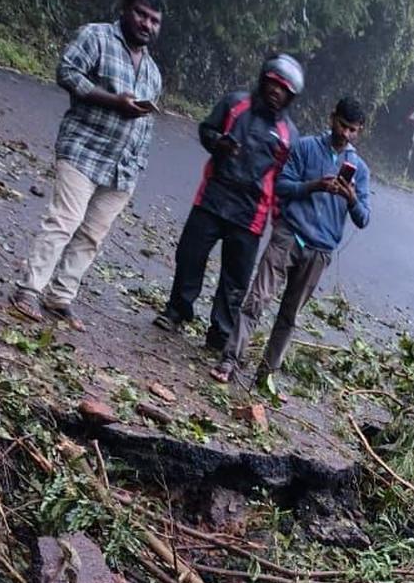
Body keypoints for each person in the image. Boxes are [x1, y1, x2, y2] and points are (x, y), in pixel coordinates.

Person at [11, 0, 164, 328]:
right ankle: (28, 290)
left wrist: (137, 166)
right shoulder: (97, 37)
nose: (146, 24)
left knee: (92, 235)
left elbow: (146, 124)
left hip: (122, 168)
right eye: (141, 14)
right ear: (125, 9)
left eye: (154, 20)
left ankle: (59, 298)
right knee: (64, 221)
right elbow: (66, 72)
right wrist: (112, 101)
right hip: (83, 149)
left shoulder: (153, 71)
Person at [213, 96, 370, 393]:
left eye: (352, 129)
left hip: (321, 249)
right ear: (331, 117)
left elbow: (364, 218)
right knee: (258, 298)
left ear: (359, 131)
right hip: (289, 234)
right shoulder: (306, 147)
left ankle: (266, 374)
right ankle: (230, 360)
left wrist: (350, 197)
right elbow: (282, 186)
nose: (345, 133)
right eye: (342, 125)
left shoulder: (359, 169)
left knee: (290, 315)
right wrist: (314, 186)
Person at [153, 55, 302, 354]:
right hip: (213, 197)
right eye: (273, 84)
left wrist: (278, 221)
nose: (276, 92)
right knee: (189, 257)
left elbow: (284, 179)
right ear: (263, 81)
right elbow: (206, 130)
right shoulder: (236, 104)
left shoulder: (290, 135)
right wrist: (218, 142)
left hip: (251, 215)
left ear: (290, 97)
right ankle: (177, 310)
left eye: (283, 89)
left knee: (235, 280)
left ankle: (219, 333)